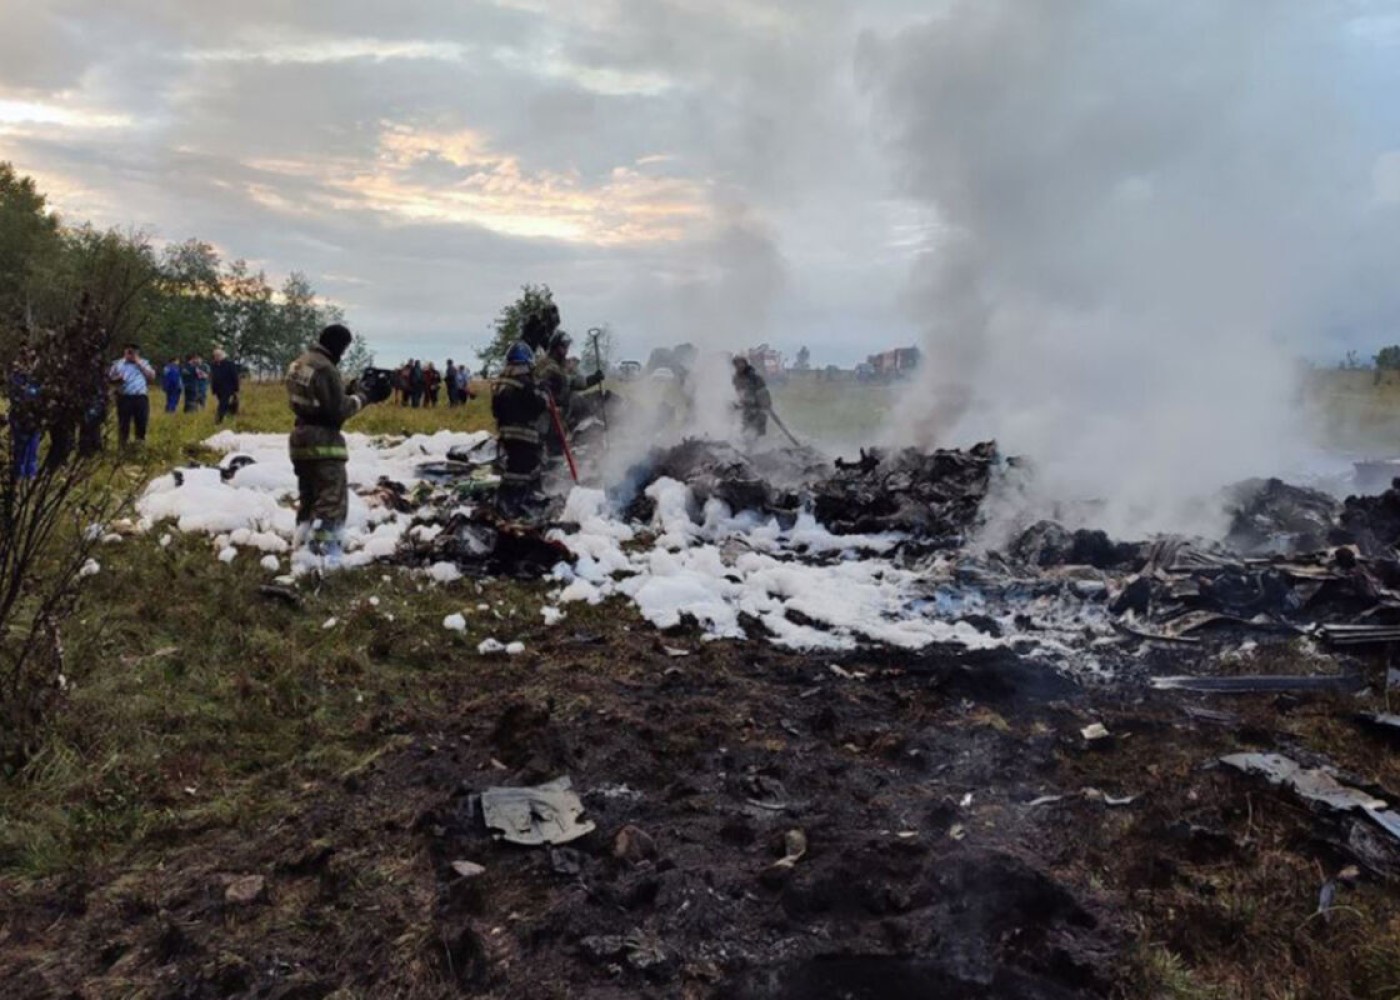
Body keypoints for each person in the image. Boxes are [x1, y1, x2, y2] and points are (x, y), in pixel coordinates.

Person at [285, 323, 387, 568]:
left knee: (308, 497)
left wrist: (346, 391)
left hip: (300, 439)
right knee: (331, 500)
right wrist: (364, 397)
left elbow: (316, 399)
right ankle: (322, 555)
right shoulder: (326, 369)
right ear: (339, 345)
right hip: (323, 443)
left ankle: (300, 545)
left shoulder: (299, 363)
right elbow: (337, 411)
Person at [491, 342, 547, 518]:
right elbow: (537, 406)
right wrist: (543, 394)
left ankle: (508, 501)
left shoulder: (500, 382)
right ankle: (518, 503)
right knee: (524, 472)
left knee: (513, 469)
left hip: (506, 434)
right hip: (525, 436)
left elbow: (495, 410)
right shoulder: (525, 382)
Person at [107, 343, 155, 446]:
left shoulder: (144, 363)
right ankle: (123, 446)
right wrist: (116, 380)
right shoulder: (118, 364)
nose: (130, 354)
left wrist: (138, 363)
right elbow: (109, 378)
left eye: (133, 352)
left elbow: (151, 377)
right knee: (124, 424)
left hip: (140, 396)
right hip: (124, 396)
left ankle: (139, 445)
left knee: (141, 422)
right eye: (128, 352)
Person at [7, 347, 42, 480]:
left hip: (34, 418)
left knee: (33, 447)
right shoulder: (17, 377)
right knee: (20, 447)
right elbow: (15, 394)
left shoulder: (38, 378)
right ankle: (18, 474)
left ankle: (31, 474)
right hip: (19, 416)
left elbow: (41, 395)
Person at [731, 356, 771, 441]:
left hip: (757, 412)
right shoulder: (735, 379)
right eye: (737, 364)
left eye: (741, 364)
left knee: (753, 435)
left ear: (745, 364)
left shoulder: (755, 379)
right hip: (745, 412)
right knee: (743, 434)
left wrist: (751, 401)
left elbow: (764, 396)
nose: (739, 366)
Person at [210, 348, 240, 423]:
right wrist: (213, 389)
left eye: (218, 355)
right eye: (215, 355)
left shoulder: (229, 364)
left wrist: (236, 388)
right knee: (224, 403)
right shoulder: (214, 365)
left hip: (228, 388)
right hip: (218, 389)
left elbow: (235, 377)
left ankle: (218, 420)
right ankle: (229, 417)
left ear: (222, 355)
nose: (216, 357)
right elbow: (214, 377)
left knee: (223, 404)